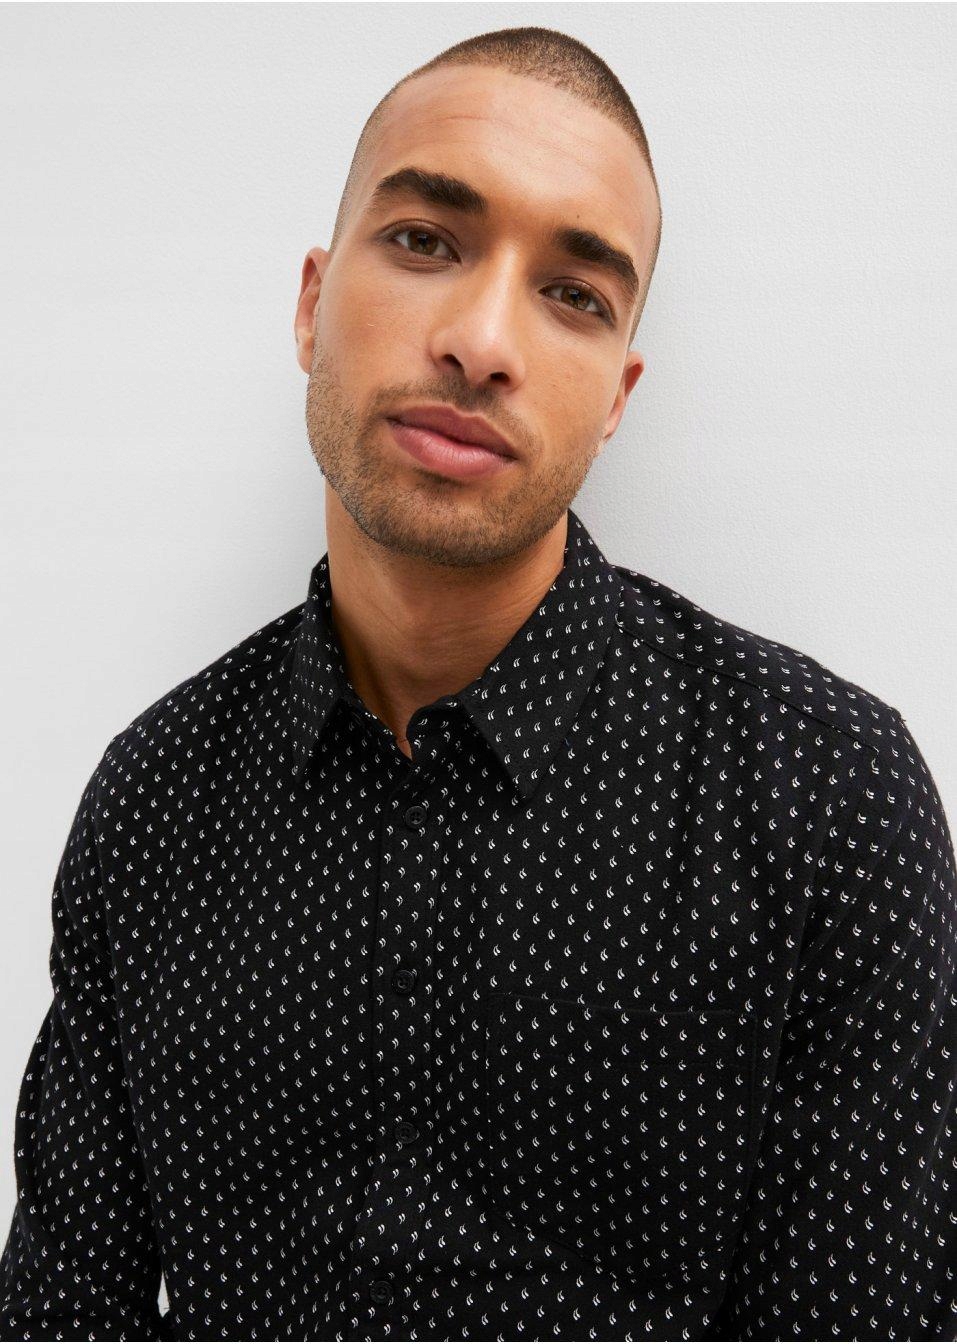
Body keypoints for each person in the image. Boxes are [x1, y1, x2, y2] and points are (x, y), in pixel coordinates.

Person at [1, 23, 954, 1343]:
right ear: (309, 305)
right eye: (425, 240)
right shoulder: (154, 801)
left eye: (573, 293)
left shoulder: (823, 800)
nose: (482, 339)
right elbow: (64, 1310)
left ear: (616, 396)